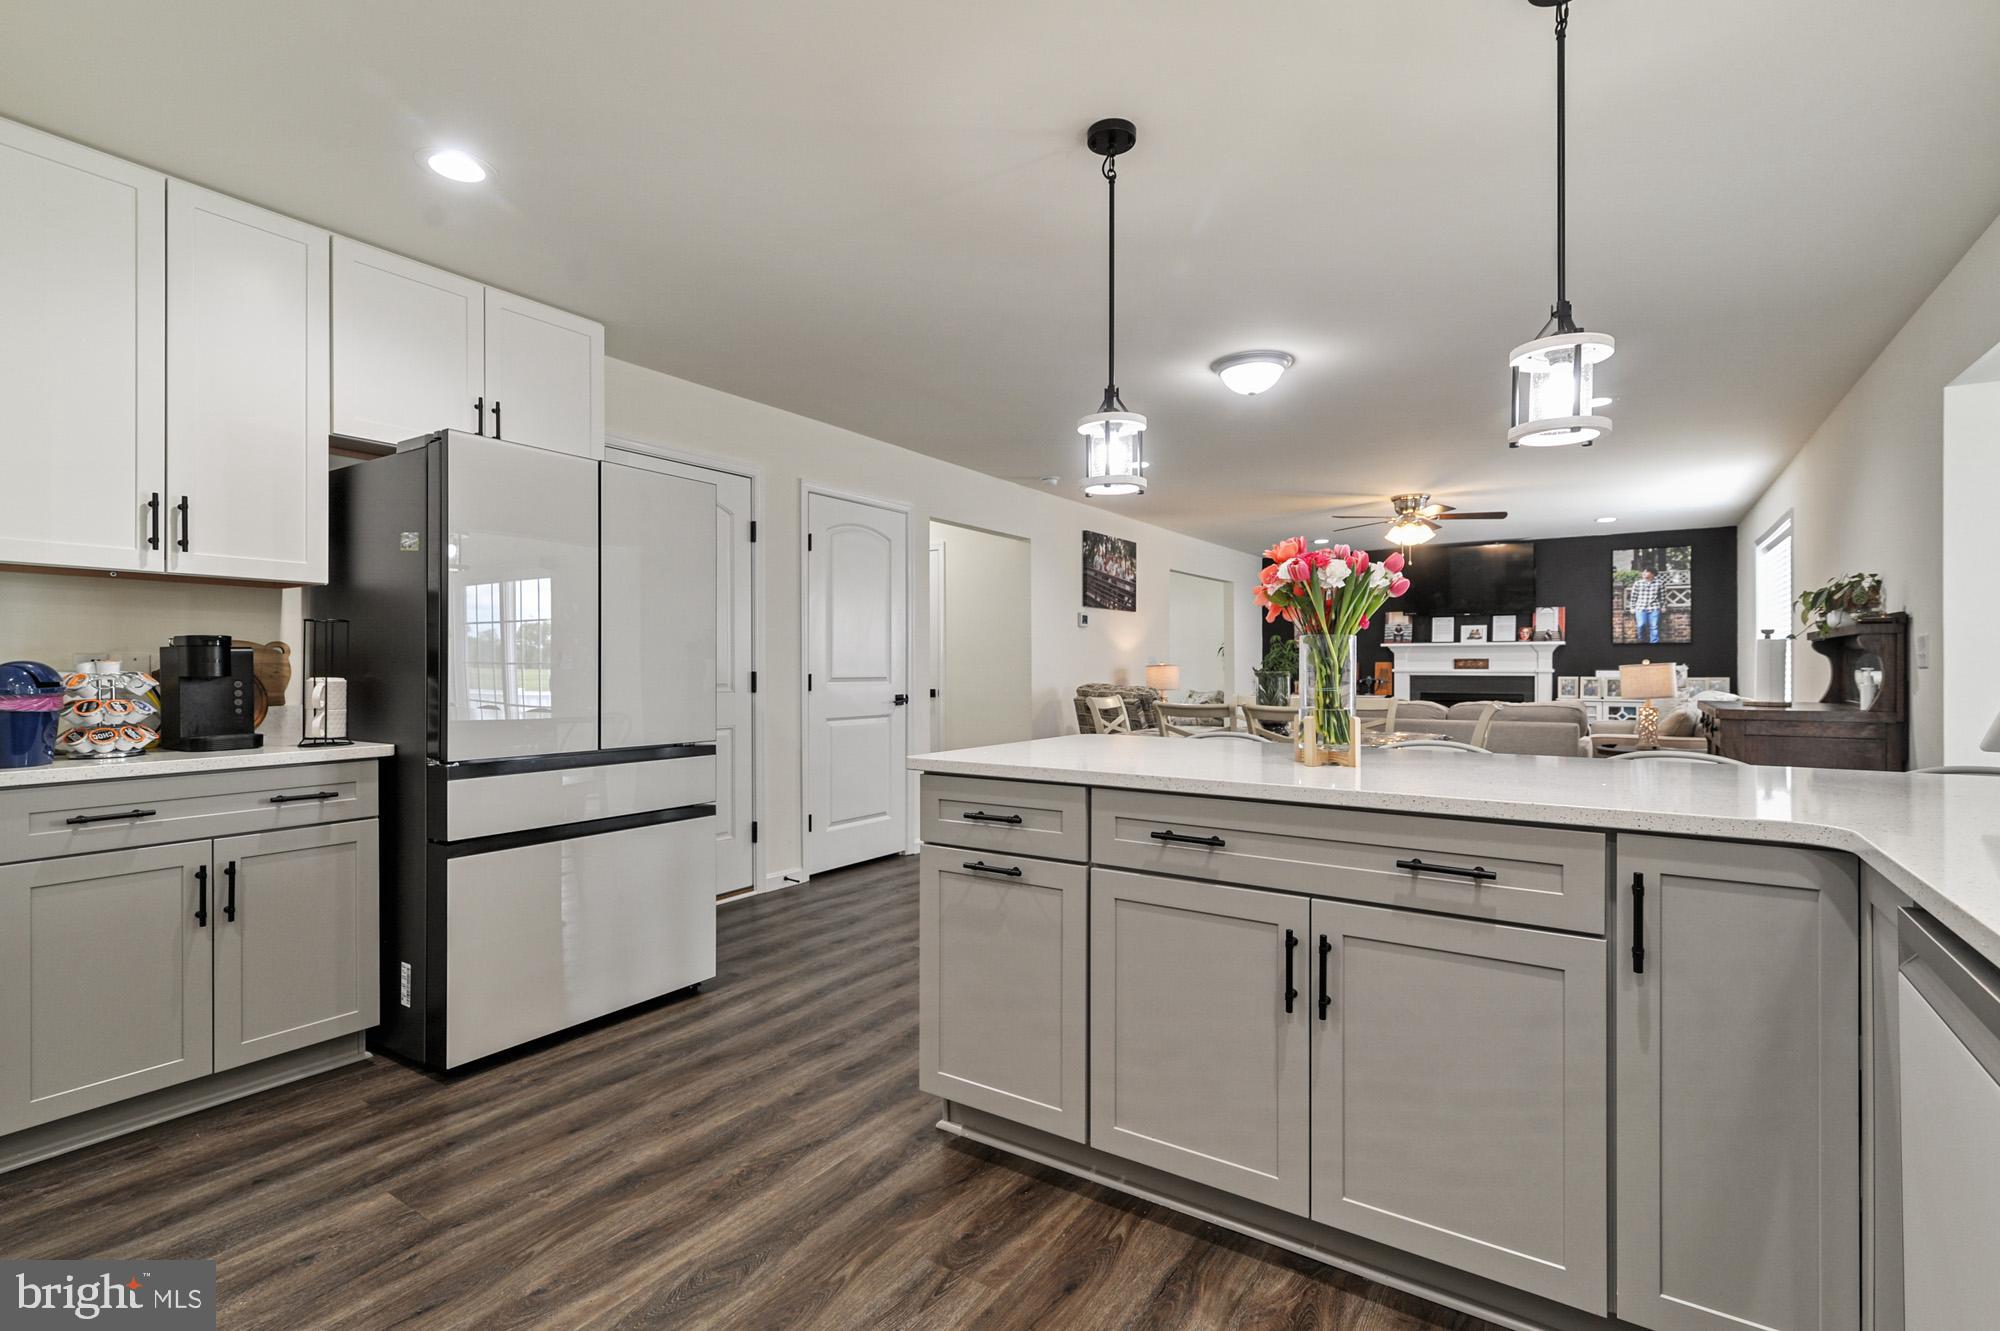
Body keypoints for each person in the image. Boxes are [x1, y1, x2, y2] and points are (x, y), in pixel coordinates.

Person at [1627, 566, 1662, 643]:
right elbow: (1633, 597)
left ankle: (1654, 643)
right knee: (1641, 625)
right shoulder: (1638, 583)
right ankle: (1642, 641)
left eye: (1646, 571)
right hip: (1640, 608)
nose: (1644, 573)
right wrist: (1632, 607)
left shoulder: (1659, 583)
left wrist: (1664, 606)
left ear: (1652, 574)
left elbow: (1662, 596)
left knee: (1654, 627)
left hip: (1654, 608)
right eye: (1644, 571)